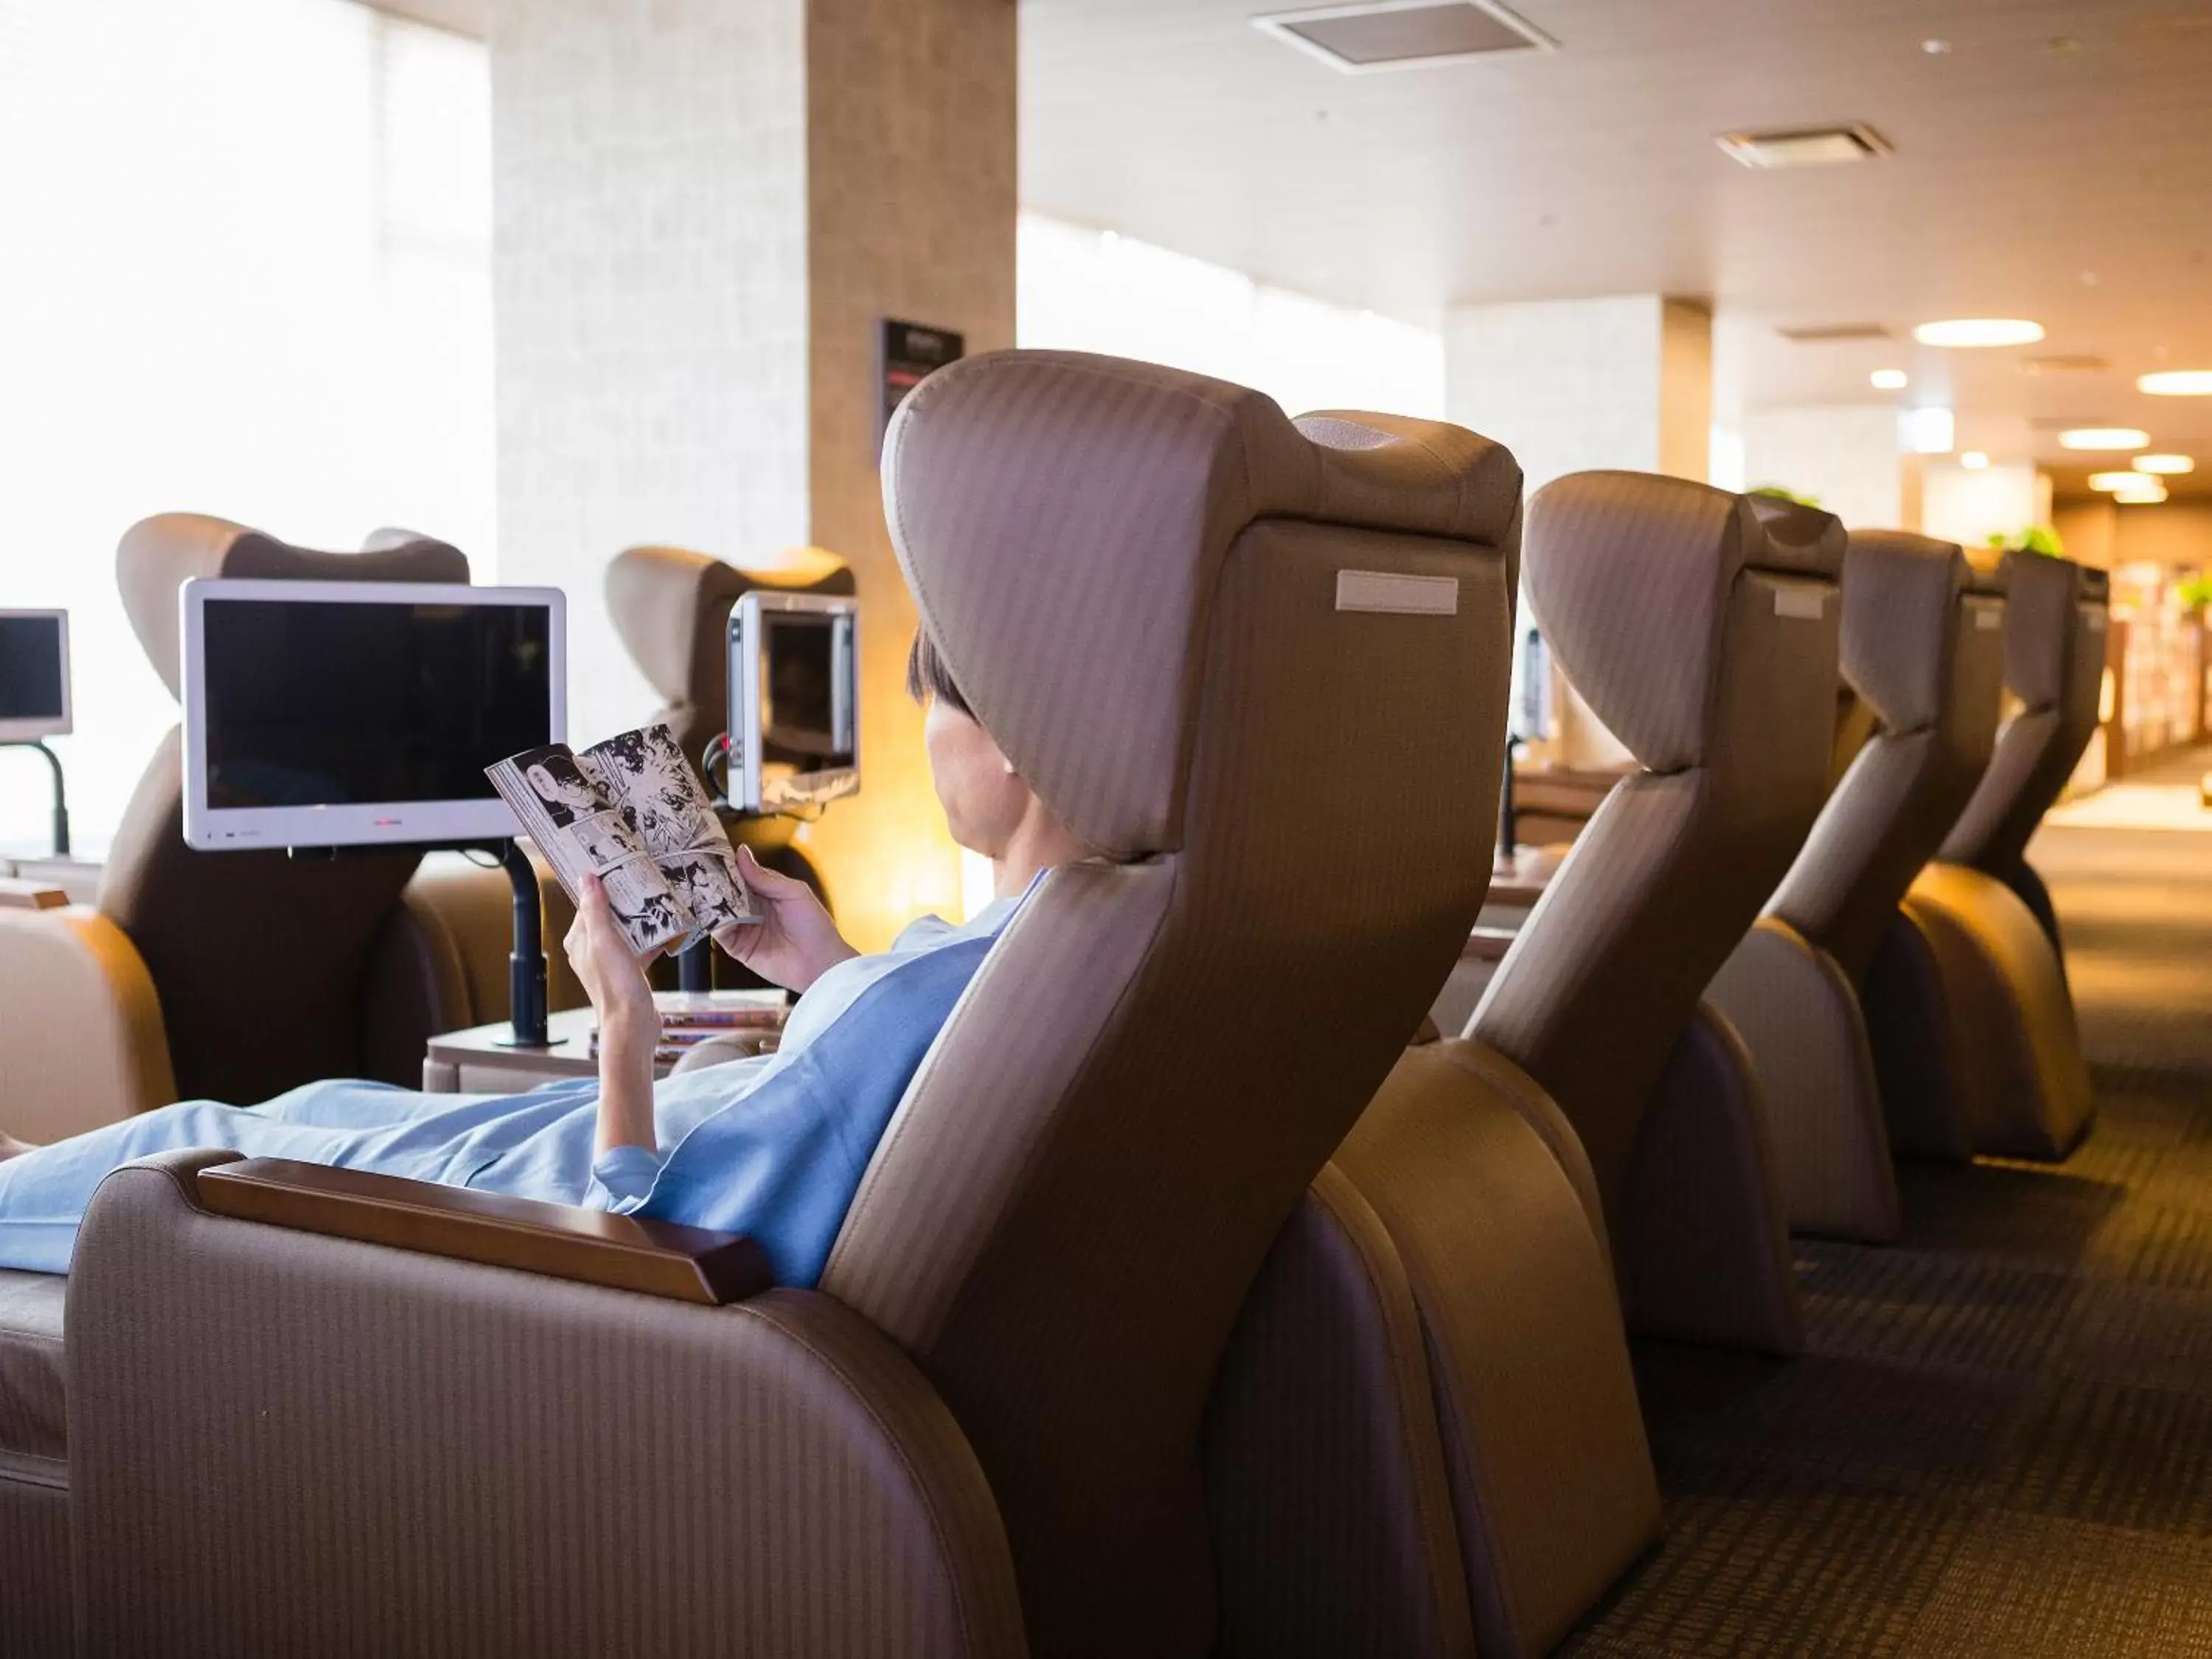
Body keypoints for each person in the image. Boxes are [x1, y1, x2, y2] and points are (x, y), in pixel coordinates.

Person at [0, 633, 1087, 1286]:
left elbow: (638, 1235)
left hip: (550, 1217)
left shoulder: (932, 992)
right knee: (326, 1091)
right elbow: (889, 1072)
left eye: (935, 698)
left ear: (1009, 735)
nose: (922, 725)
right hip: (590, 1152)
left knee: (199, 1144)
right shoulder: (1050, 948)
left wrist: (623, 1020)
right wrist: (827, 968)